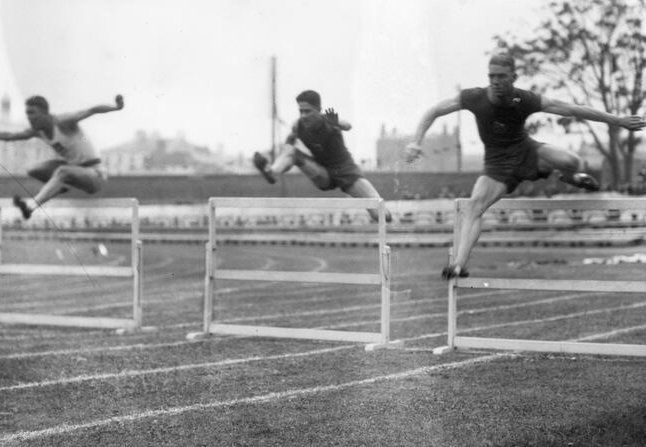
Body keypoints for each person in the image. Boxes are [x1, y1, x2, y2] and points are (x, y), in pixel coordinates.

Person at [405, 51, 646, 279]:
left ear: (513, 77)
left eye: (501, 76)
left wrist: (618, 120)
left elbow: (571, 108)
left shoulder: (524, 99)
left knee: (573, 161)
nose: (496, 81)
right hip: (497, 166)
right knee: (474, 206)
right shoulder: (475, 97)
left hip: (527, 151)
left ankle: (568, 176)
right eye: (492, 76)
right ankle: (459, 264)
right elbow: (434, 111)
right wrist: (416, 142)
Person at [0, 94, 124, 219]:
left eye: (33, 113)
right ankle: (59, 186)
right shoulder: (38, 131)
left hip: (95, 174)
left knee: (62, 171)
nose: (29, 118)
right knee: (34, 169)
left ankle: (30, 207)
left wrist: (116, 107)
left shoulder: (63, 122)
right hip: (74, 170)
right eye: (27, 114)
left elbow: (91, 110)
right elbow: (7, 136)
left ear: (45, 113)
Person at [253, 90, 390, 223]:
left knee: (382, 215)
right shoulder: (298, 125)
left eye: (308, 111)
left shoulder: (328, 121)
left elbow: (348, 126)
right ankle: (272, 173)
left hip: (347, 173)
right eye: (301, 111)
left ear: (318, 110)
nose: (304, 116)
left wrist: (335, 122)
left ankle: (382, 216)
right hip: (323, 174)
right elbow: (288, 146)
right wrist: (284, 156)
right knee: (292, 152)